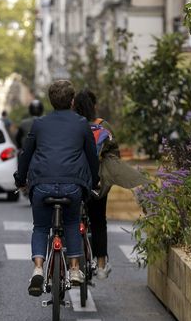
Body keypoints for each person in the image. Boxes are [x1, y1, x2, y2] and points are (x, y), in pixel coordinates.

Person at [14, 81, 99, 297]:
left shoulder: (40, 124)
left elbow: (26, 154)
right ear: (72, 101)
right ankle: (74, 269)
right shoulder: (81, 124)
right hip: (73, 186)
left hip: (42, 185)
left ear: (50, 101)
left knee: (41, 227)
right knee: (71, 222)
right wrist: (95, 180)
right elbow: (91, 156)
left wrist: (20, 179)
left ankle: (38, 269)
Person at [72, 90, 150, 279]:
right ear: (94, 106)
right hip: (97, 184)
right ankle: (100, 264)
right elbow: (114, 155)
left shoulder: (70, 125)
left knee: (70, 221)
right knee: (99, 221)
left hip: (73, 182)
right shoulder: (103, 126)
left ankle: (71, 264)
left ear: (74, 106)